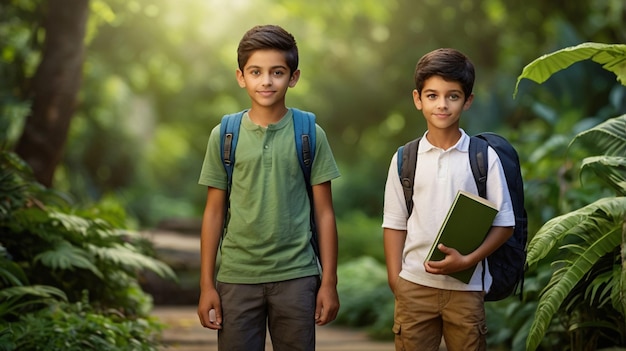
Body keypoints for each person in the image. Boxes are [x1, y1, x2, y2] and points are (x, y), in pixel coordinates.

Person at [196, 24, 341, 351]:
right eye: (256, 72)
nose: (266, 81)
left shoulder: (310, 134)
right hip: (236, 278)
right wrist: (207, 284)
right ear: (240, 76)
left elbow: (325, 213)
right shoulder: (224, 135)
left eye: (277, 72)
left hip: (297, 276)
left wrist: (329, 282)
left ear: (293, 77)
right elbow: (214, 212)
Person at [382, 48, 515, 351]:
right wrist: (396, 281)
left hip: (467, 290)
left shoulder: (483, 157)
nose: (442, 104)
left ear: (467, 101)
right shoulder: (405, 158)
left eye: (453, 96)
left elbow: (504, 224)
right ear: (418, 99)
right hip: (414, 287)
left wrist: (469, 260)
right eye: (432, 95)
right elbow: (394, 223)